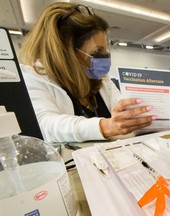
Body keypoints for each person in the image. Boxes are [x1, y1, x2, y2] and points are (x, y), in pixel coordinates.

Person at [19, 2, 155, 143]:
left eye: (105, 50)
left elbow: (123, 108)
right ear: (67, 53)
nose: (105, 57)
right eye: (97, 52)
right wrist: (105, 126)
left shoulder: (101, 80)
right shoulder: (34, 77)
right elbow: (45, 125)